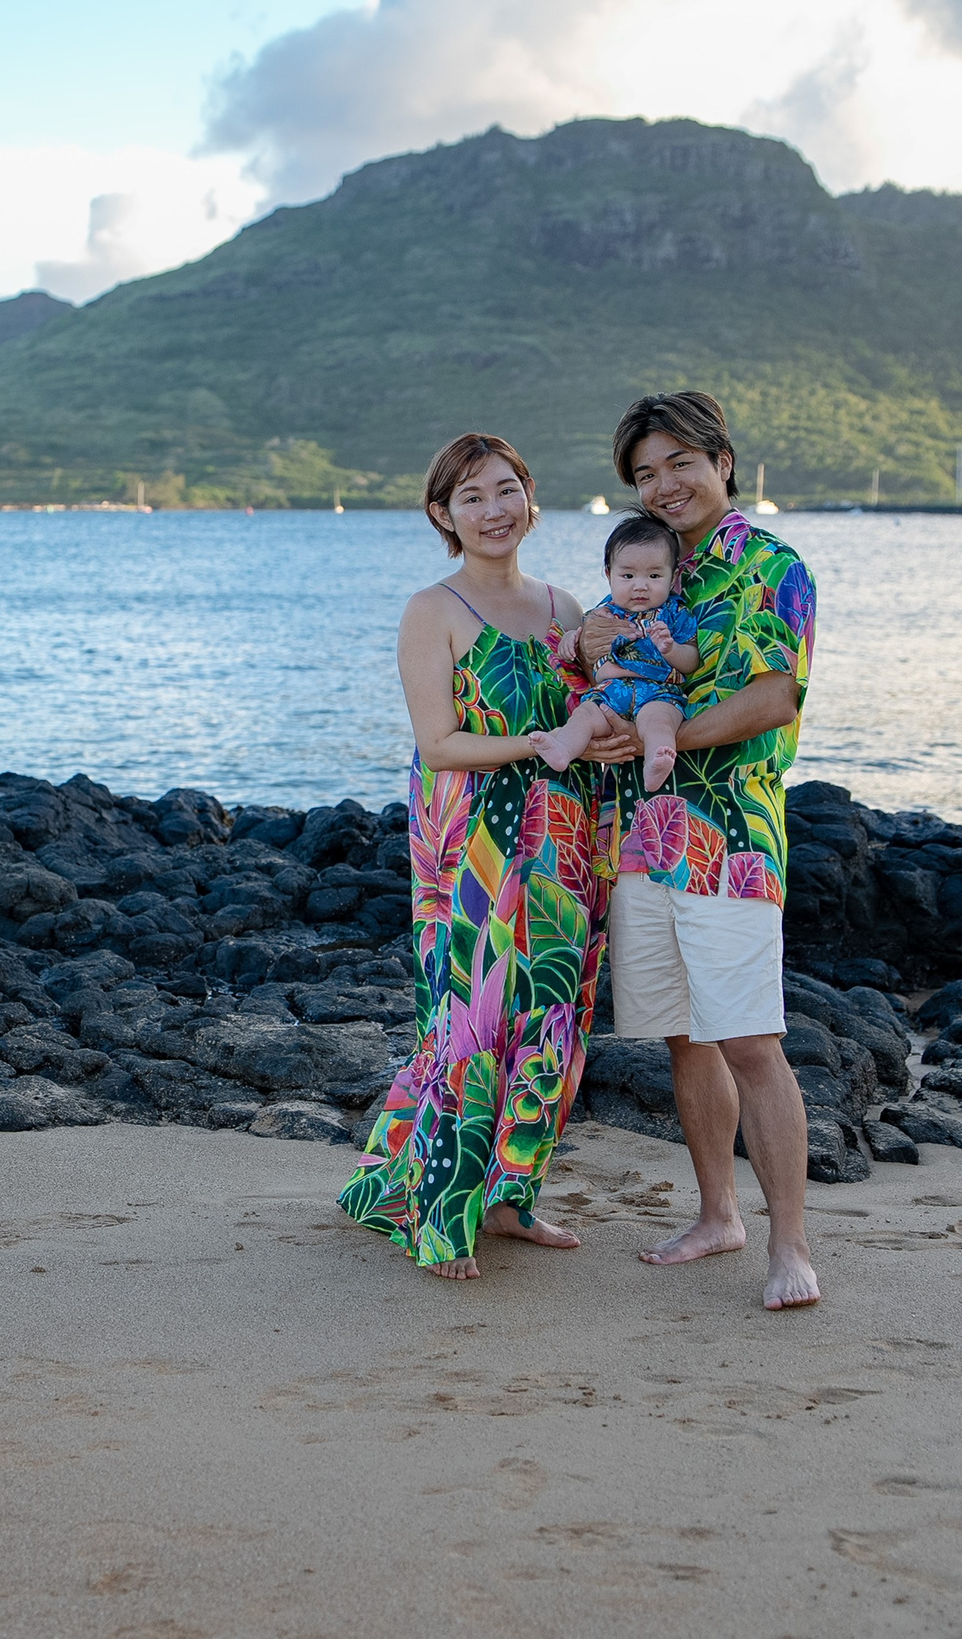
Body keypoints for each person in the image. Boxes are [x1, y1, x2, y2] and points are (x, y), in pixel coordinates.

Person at [338, 432, 639, 1280]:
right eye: (472, 496)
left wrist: (611, 737)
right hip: (469, 846)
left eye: (507, 489)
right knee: (469, 1022)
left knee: (551, 1021)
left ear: (531, 498)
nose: (494, 509)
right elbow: (438, 744)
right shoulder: (432, 610)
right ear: (444, 514)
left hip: (567, 846)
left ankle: (508, 1199)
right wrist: (537, 743)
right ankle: (437, 1211)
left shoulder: (570, 608)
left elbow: (604, 706)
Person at [562, 390, 822, 1311]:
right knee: (684, 1034)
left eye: (679, 463)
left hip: (733, 840)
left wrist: (660, 740)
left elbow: (774, 698)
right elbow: (599, 673)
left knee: (750, 1037)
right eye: (644, 473)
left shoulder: (768, 566)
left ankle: (790, 1245)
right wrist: (586, 641)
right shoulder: (652, 569)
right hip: (645, 840)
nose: (663, 484)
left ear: (722, 460)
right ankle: (718, 1214)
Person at [527, 512, 700, 793]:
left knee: (658, 723)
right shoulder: (603, 612)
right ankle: (563, 749)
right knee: (584, 716)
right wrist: (571, 640)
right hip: (610, 692)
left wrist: (671, 649)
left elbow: (691, 662)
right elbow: (582, 640)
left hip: (658, 692)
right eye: (628, 575)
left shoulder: (674, 613)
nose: (640, 585)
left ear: (673, 577)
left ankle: (657, 761)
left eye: (654, 575)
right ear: (609, 575)